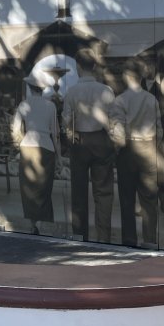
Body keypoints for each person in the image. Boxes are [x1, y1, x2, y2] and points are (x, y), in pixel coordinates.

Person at [62, 49, 115, 241]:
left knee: (78, 192)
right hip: (101, 140)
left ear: (78, 67)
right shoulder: (106, 91)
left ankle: (80, 236)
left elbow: (66, 121)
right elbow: (113, 120)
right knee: (103, 192)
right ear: (94, 66)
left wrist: (72, 135)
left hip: (80, 141)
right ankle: (104, 237)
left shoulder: (71, 92)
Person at [110, 65, 163, 246]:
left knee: (127, 199)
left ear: (126, 76)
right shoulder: (152, 99)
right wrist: (154, 145)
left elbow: (118, 132)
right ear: (141, 77)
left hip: (128, 149)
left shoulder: (120, 100)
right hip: (148, 148)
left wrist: (118, 149)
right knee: (149, 199)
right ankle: (150, 240)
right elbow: (159, 129)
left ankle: (129, 240)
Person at [12, 71, 60, 235]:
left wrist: (19, 143)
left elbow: (15, 130)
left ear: (30, 87)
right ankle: (40, 221)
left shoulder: (24, 105)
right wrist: (59, 156)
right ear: (43, 88)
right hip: (46, 147)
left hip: (27, 146)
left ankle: (32, 222)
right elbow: (55, 133)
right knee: (44, 187)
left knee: (28, 186)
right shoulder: (51, 106)